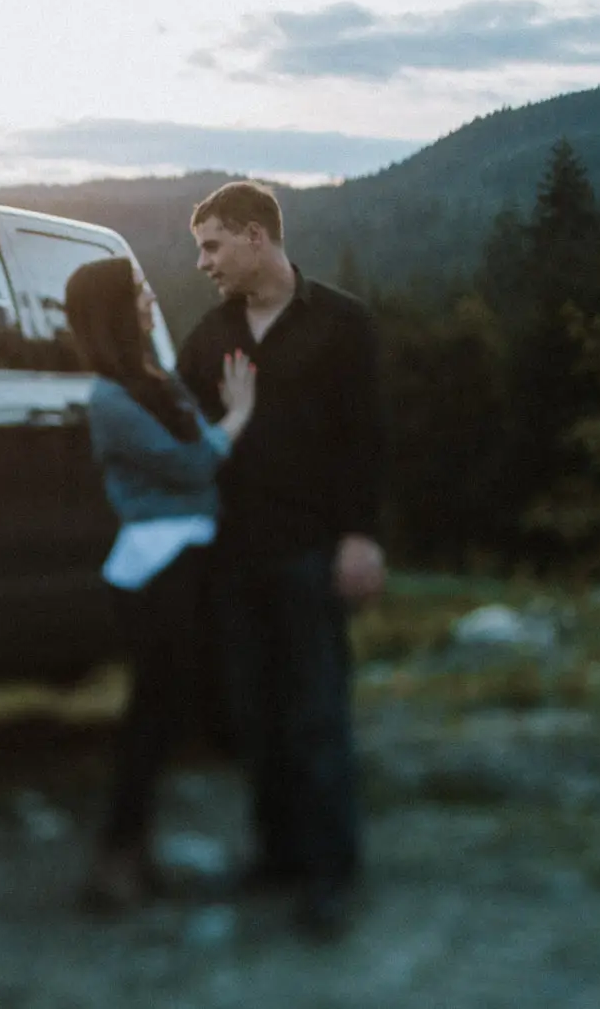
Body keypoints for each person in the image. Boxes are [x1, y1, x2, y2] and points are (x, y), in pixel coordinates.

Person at [175, 180, 386, 940]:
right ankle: (278, 855)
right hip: (233, 559)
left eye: (212, 245)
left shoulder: (341, 325)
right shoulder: (208, 337)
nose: (203, 262)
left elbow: (364, 440)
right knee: (254, 717)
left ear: (257, 236)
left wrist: (360, 536)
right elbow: (186, 444)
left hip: (310, 553)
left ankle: (332, 870)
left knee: (317, 715)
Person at [63, 256, 256, 911]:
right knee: (154, 714)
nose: (151, 300)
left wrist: (220, 429)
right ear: (117, 310)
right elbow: (194, 461)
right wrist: (238, 417)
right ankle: (115, 858)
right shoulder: (110, 399)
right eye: (140, 293)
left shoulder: (156, 380)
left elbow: (201, 453)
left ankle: (133, 854)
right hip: (153, 569)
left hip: (191, 559)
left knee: (174, 712)